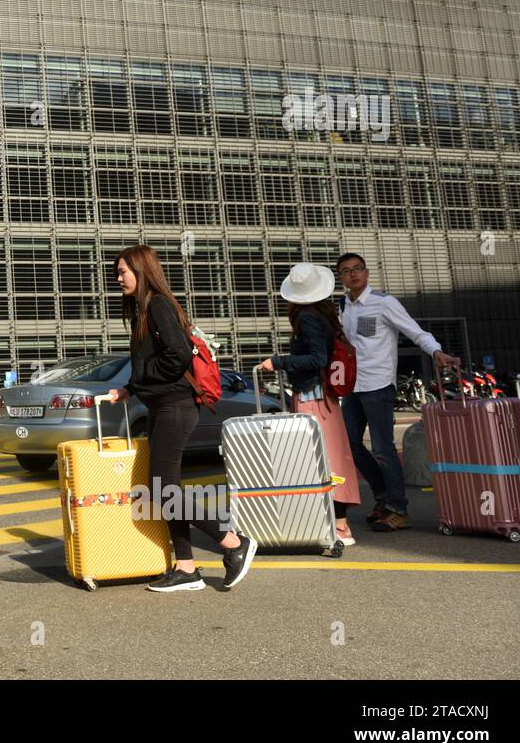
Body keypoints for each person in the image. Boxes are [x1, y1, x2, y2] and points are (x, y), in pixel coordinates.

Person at [104, 244, 257, 593]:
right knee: (166, 486)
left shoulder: (158, 304)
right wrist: (129, 388)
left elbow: (176, 357)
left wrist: (139, 381)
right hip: (162, 405)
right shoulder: (143, 310)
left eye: (122, 271)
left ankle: (232, 541)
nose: (118, 278)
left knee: (162, 488)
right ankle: (186, 567)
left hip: (176, 405)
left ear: (141, 271)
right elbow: (151, 360)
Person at [337, 253, 460, 531]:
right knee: (351, 445)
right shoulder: (344, 306)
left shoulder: (384, 303)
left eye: (357, 269)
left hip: (378, 384)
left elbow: (415, 332)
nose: (353, 274)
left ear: (366, 273)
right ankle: (383, 496)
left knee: (382, 448)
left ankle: (398, 509)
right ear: (341, 279)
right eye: (346, 271)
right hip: (353, 386)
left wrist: (436, 351)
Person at [256, 263, 362, 545]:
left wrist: (278, 361)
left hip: (313, 395)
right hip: (325, 396)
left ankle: (339, 526)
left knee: (320, 460)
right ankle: (339, 523)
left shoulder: (307, 318)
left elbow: (317, 359)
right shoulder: (325, 315)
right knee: (334, 457)